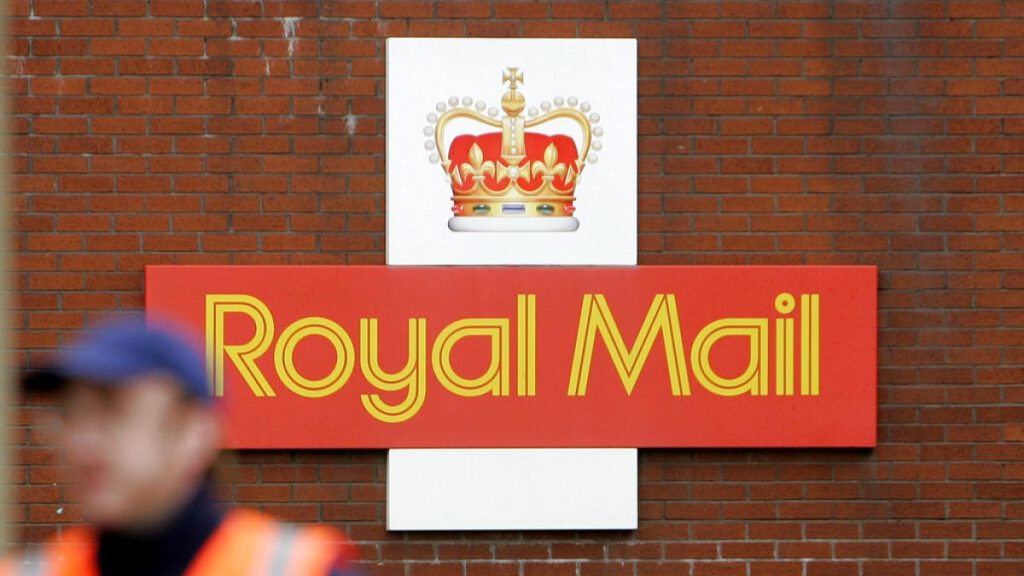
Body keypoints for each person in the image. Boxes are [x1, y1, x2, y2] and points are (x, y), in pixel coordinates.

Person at [3, 316, 366, 576]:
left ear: (195, 434)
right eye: (70, 416)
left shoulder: (303, 569)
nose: (81, 445)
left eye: (114, 411)